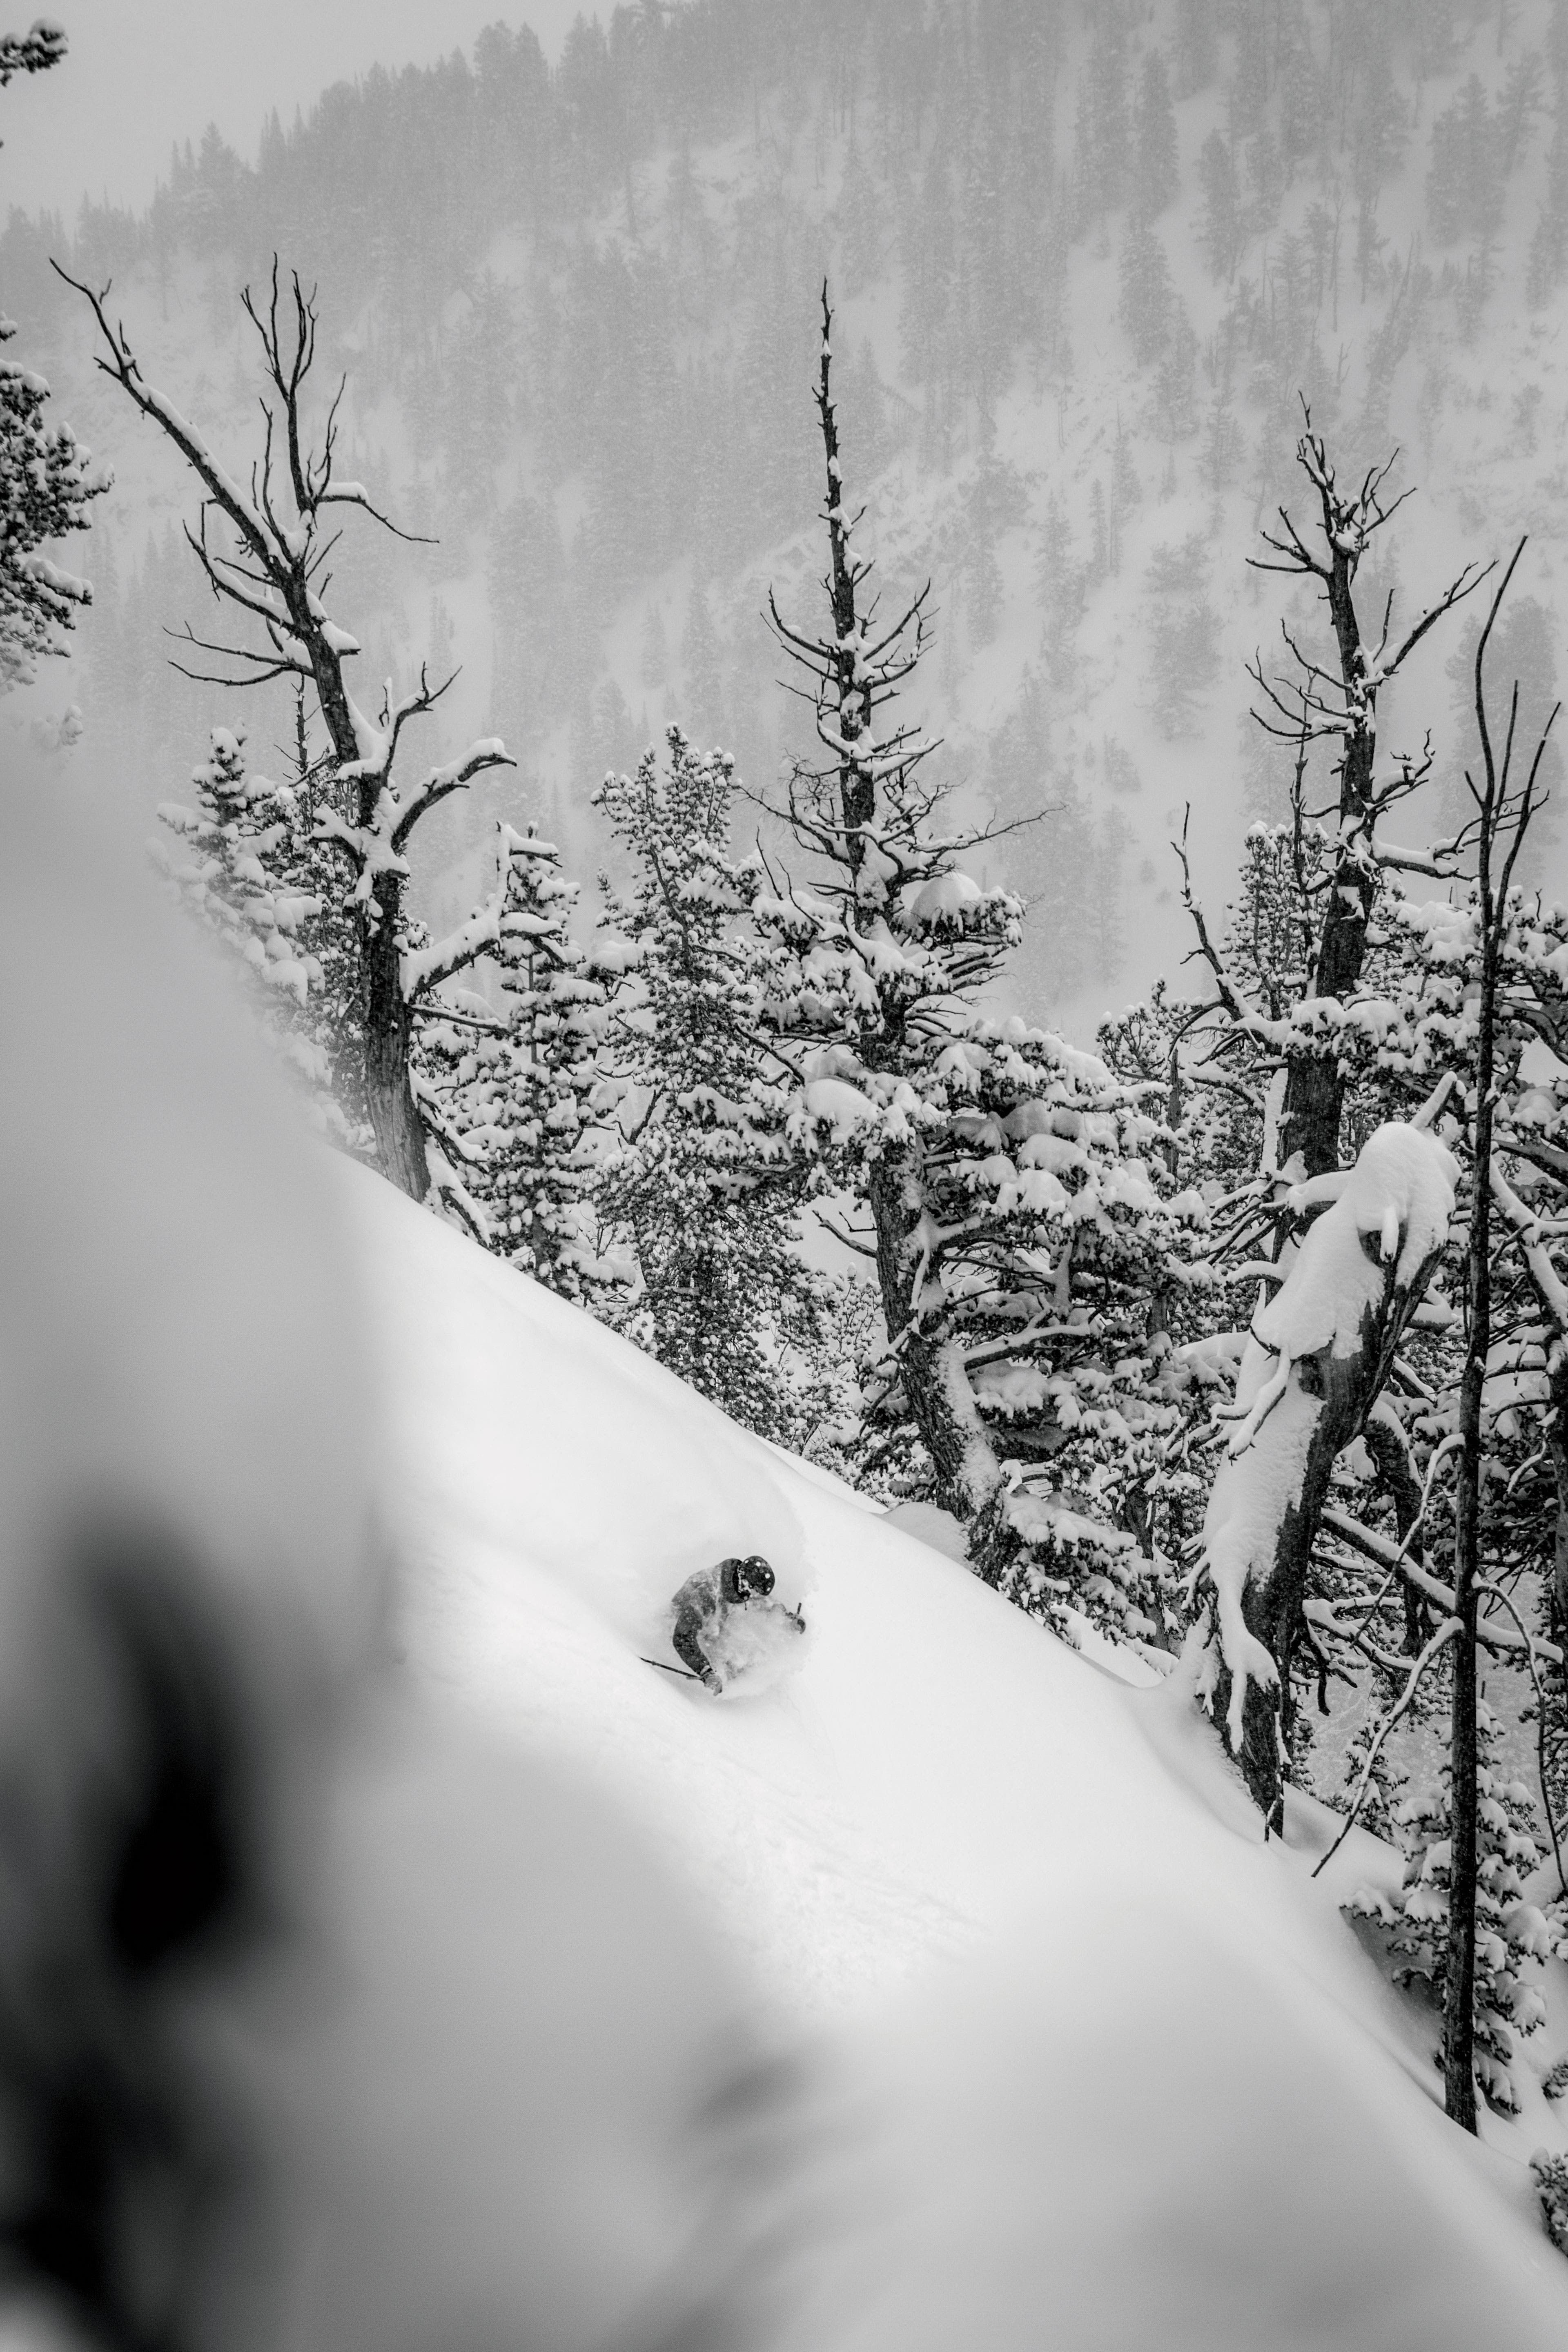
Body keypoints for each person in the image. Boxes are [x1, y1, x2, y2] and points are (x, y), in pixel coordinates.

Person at [670, 1555, 779, 1691]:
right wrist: (706, 1672)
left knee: (738, 1663)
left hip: (708, 1631)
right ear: (745, 1584)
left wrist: (786, 1617)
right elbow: (682, 1637)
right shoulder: (706, 1593)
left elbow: (763, 1603)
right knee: (728, 1667)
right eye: (754, 1592)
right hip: (682, 1636)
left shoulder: (736, 1584)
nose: (754, 1597)